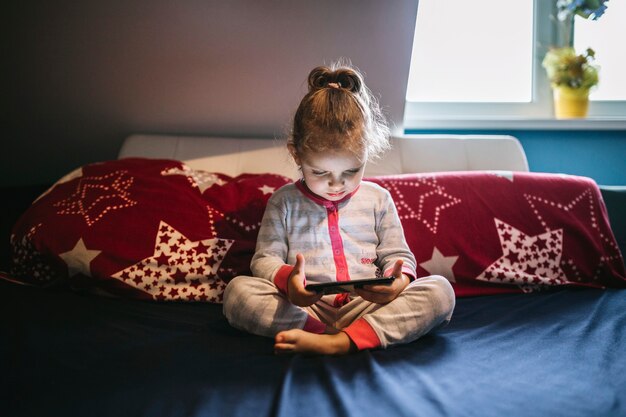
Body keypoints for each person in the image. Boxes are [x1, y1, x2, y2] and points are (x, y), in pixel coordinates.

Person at [223, 63, 455, 355]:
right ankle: (323, 334)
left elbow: (398, 255)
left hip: (368, 307)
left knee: (440, 291)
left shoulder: (378, 199)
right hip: (305, 309)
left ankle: (341, 340)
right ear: (296, 153)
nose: (336, 185)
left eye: (351, 171)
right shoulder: (283, 202)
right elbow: (265, 259)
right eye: (320, 172)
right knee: (238, 293)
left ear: (367, 152)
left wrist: (397, 283)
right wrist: (288, 283)